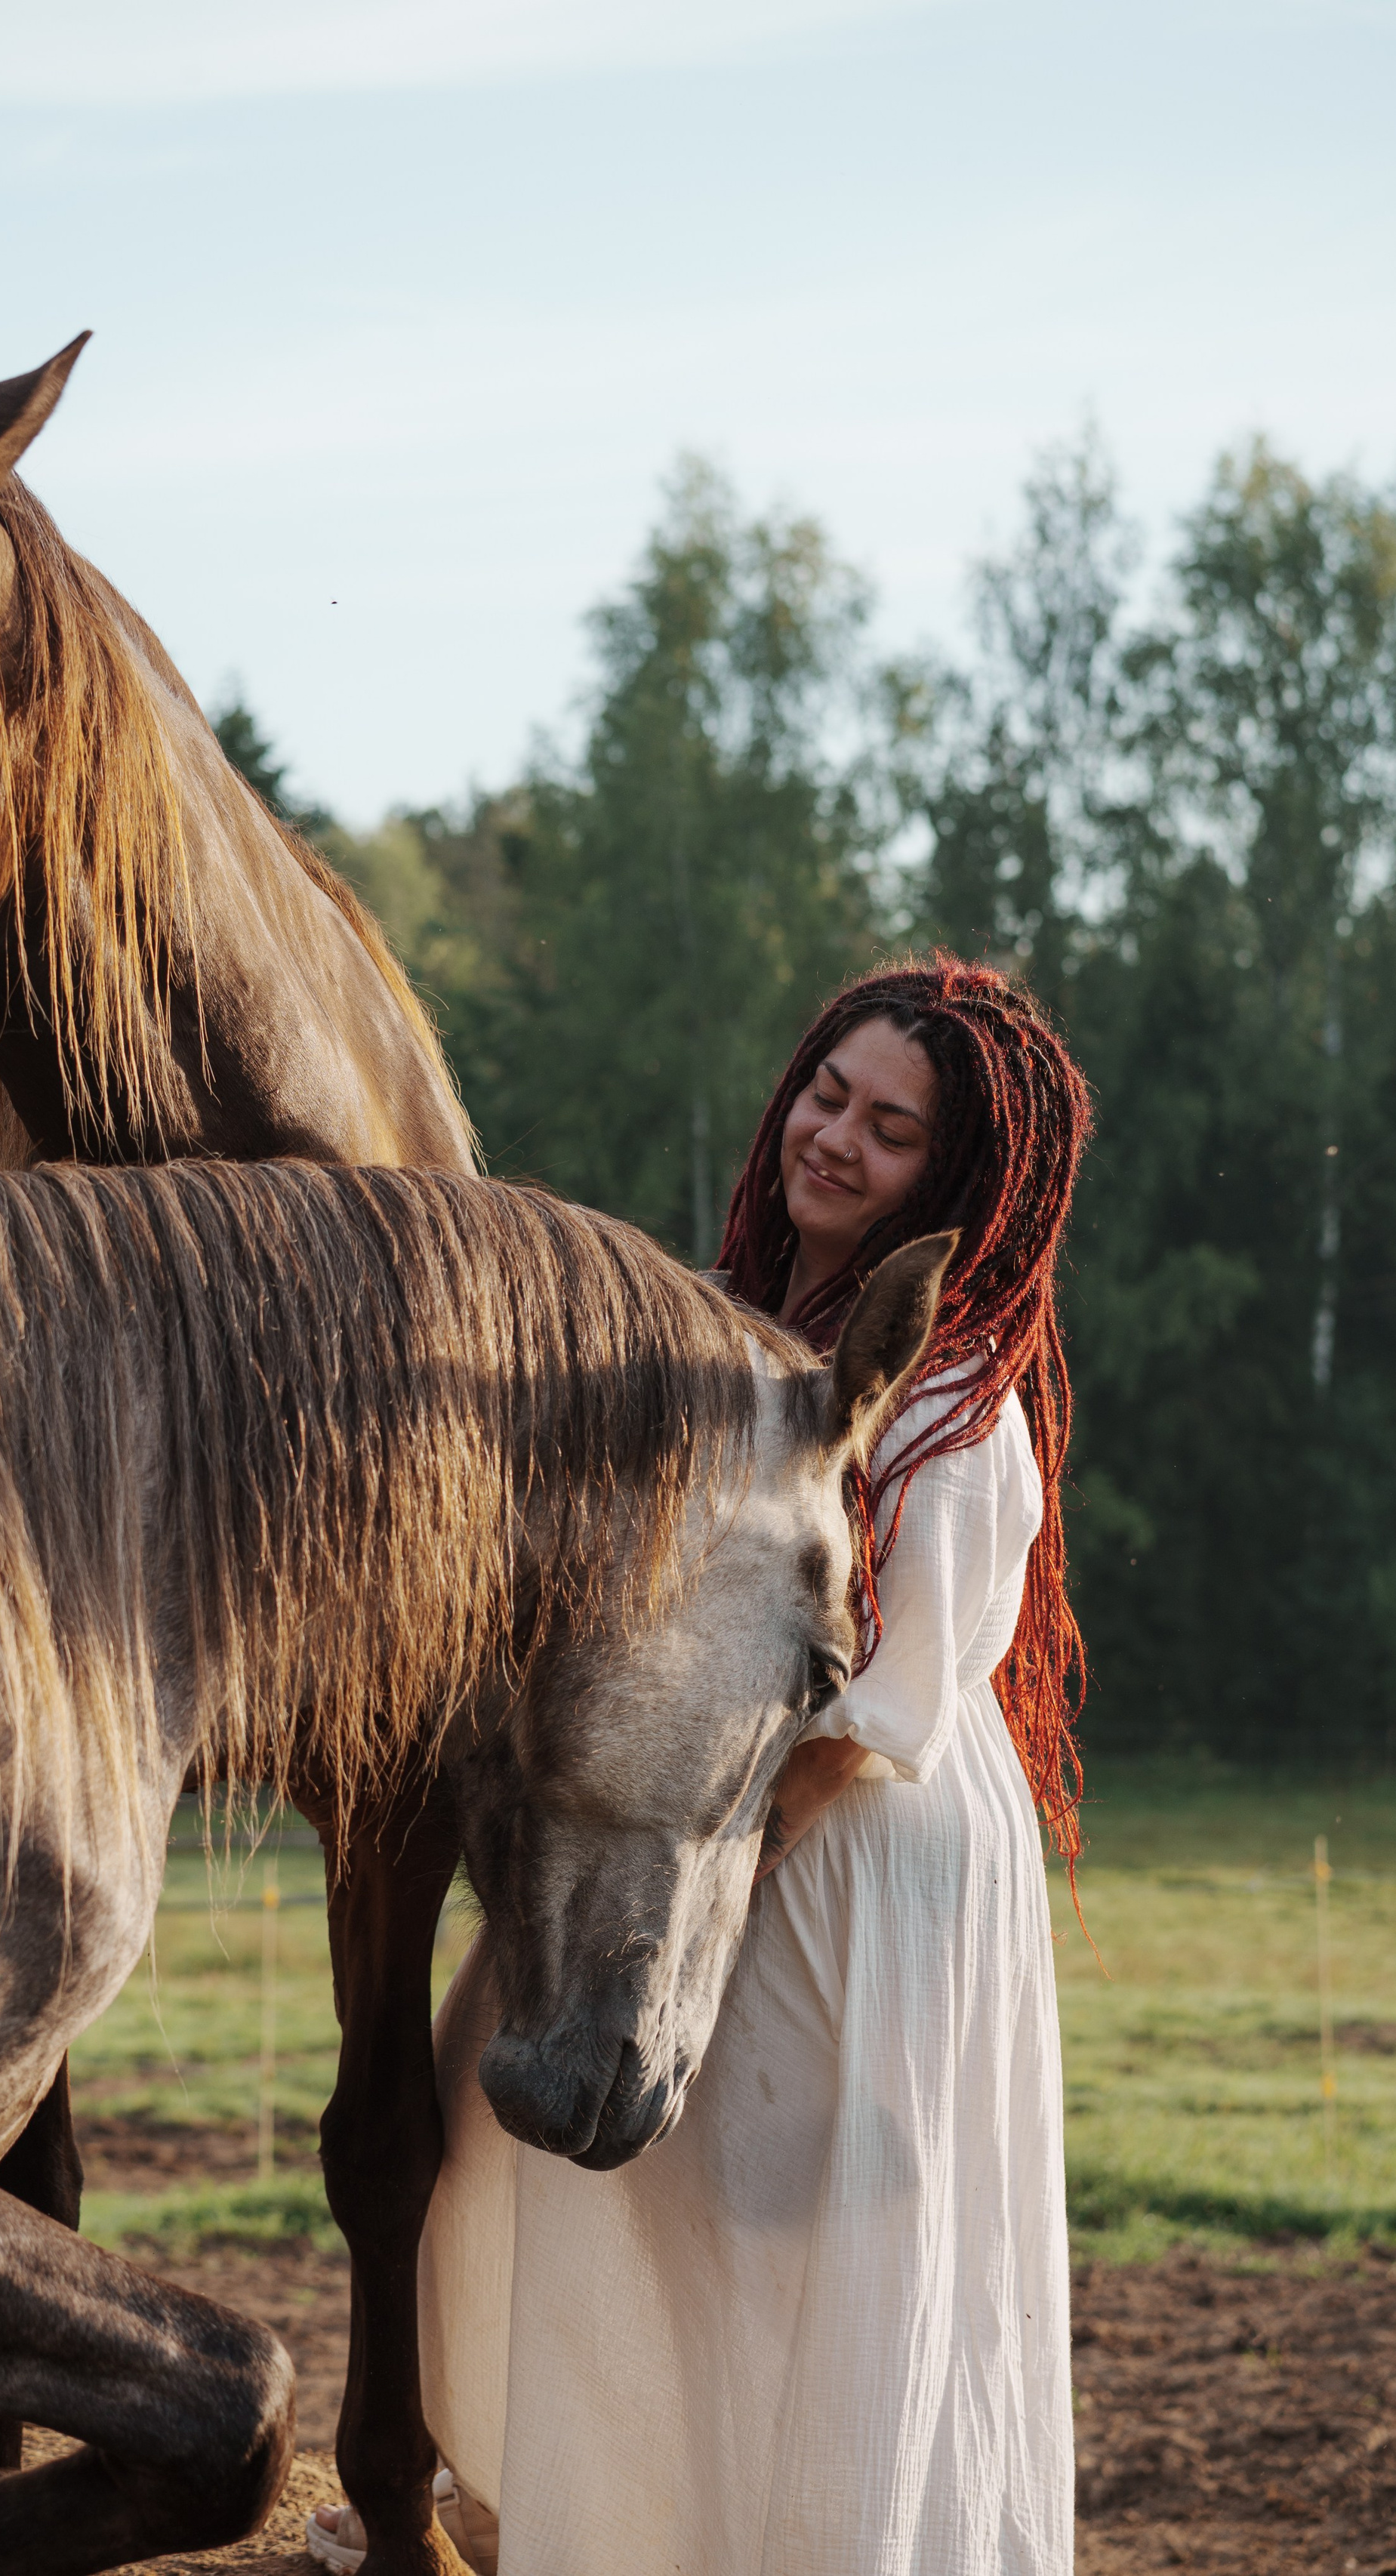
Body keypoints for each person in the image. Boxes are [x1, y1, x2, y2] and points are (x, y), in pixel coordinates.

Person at [308, 955, 1091, 2576]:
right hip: (707, 1807)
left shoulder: (947, 1392)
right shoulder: (721, 1331)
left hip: (846, 1827)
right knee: (515, 2120)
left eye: (887, 1130)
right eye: (825, 1094)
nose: (833, 1139)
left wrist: (724, 1859)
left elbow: (902, 1693)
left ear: (944, 1179)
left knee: (776, 2229)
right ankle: (595, 2516)